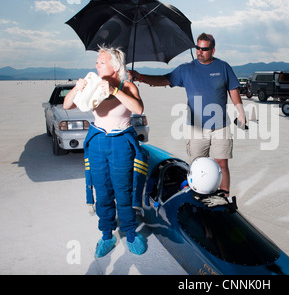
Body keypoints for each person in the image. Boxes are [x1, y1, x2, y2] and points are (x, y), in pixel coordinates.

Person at [129, 33, 246, 196]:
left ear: (213, 50)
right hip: (196, 128)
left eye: (204, 49)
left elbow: (233, 89)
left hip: (220, 126)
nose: (200, 52)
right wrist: (139, 76)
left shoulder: (223, 67)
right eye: (198, 48)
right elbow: (164, 79)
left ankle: (224, 196)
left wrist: (241, 113)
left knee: (221, 164)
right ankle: (198, 197)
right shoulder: (186, 69)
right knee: (198, 165)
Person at [64, 46, 148, 258]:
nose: (97, 65)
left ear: (115, 66)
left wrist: (116, 91)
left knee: (123, 190)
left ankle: (130, 233)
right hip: (98, 141)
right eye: (97, 61)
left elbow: (138, 109)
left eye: (101, 61)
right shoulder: (93, 86)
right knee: (102, 191)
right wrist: (77, 88)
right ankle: (107, 234)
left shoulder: (127, 86)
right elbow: (67, 104)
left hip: (121, 142)